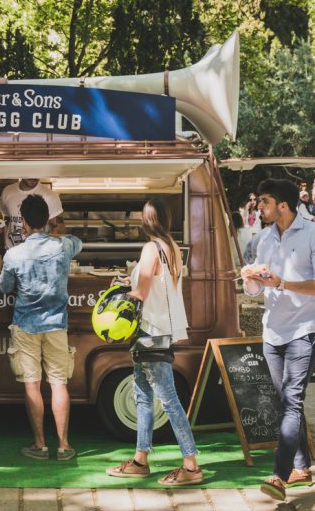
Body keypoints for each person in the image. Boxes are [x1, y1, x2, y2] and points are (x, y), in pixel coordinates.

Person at [105, 198, 203, 485]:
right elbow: (154, 285)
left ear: (147, 220)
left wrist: (117, 296)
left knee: (168, 400)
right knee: (143, 396)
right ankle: (140, 459)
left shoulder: (150, 248)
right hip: (162, 330)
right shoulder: (171, 247)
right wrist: (128, 283)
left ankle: (191, 465)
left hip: (150, 331)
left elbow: (143, 291)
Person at [241, 178, 315, 502]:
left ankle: (280, 476)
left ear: (283, 205)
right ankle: (303, 465)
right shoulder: (264, 240)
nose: (260, 207)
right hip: (272, 331)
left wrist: (283, 282)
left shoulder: (312, 234)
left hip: (304, 328)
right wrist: (251, 280)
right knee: (286, 402)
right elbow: (258, 290)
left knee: (292, 401)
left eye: (265, 202)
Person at [0, 194, 81, 461]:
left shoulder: (14, 254)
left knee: (32, 386)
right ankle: (64, 446)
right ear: (47, 220)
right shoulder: (63, 246)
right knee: (59, 384)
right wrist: (57, 230)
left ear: (22, 222)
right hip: (57, 324)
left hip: (25, 325)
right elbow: (79, 242)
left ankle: (40, 445)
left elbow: (4, 287)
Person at [0, 179, 64, 248]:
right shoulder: (8, 191)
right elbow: (8, 218)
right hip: (12, 251)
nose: (33, 177)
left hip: (39, 252)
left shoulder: (50, 196)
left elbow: (58, 228)